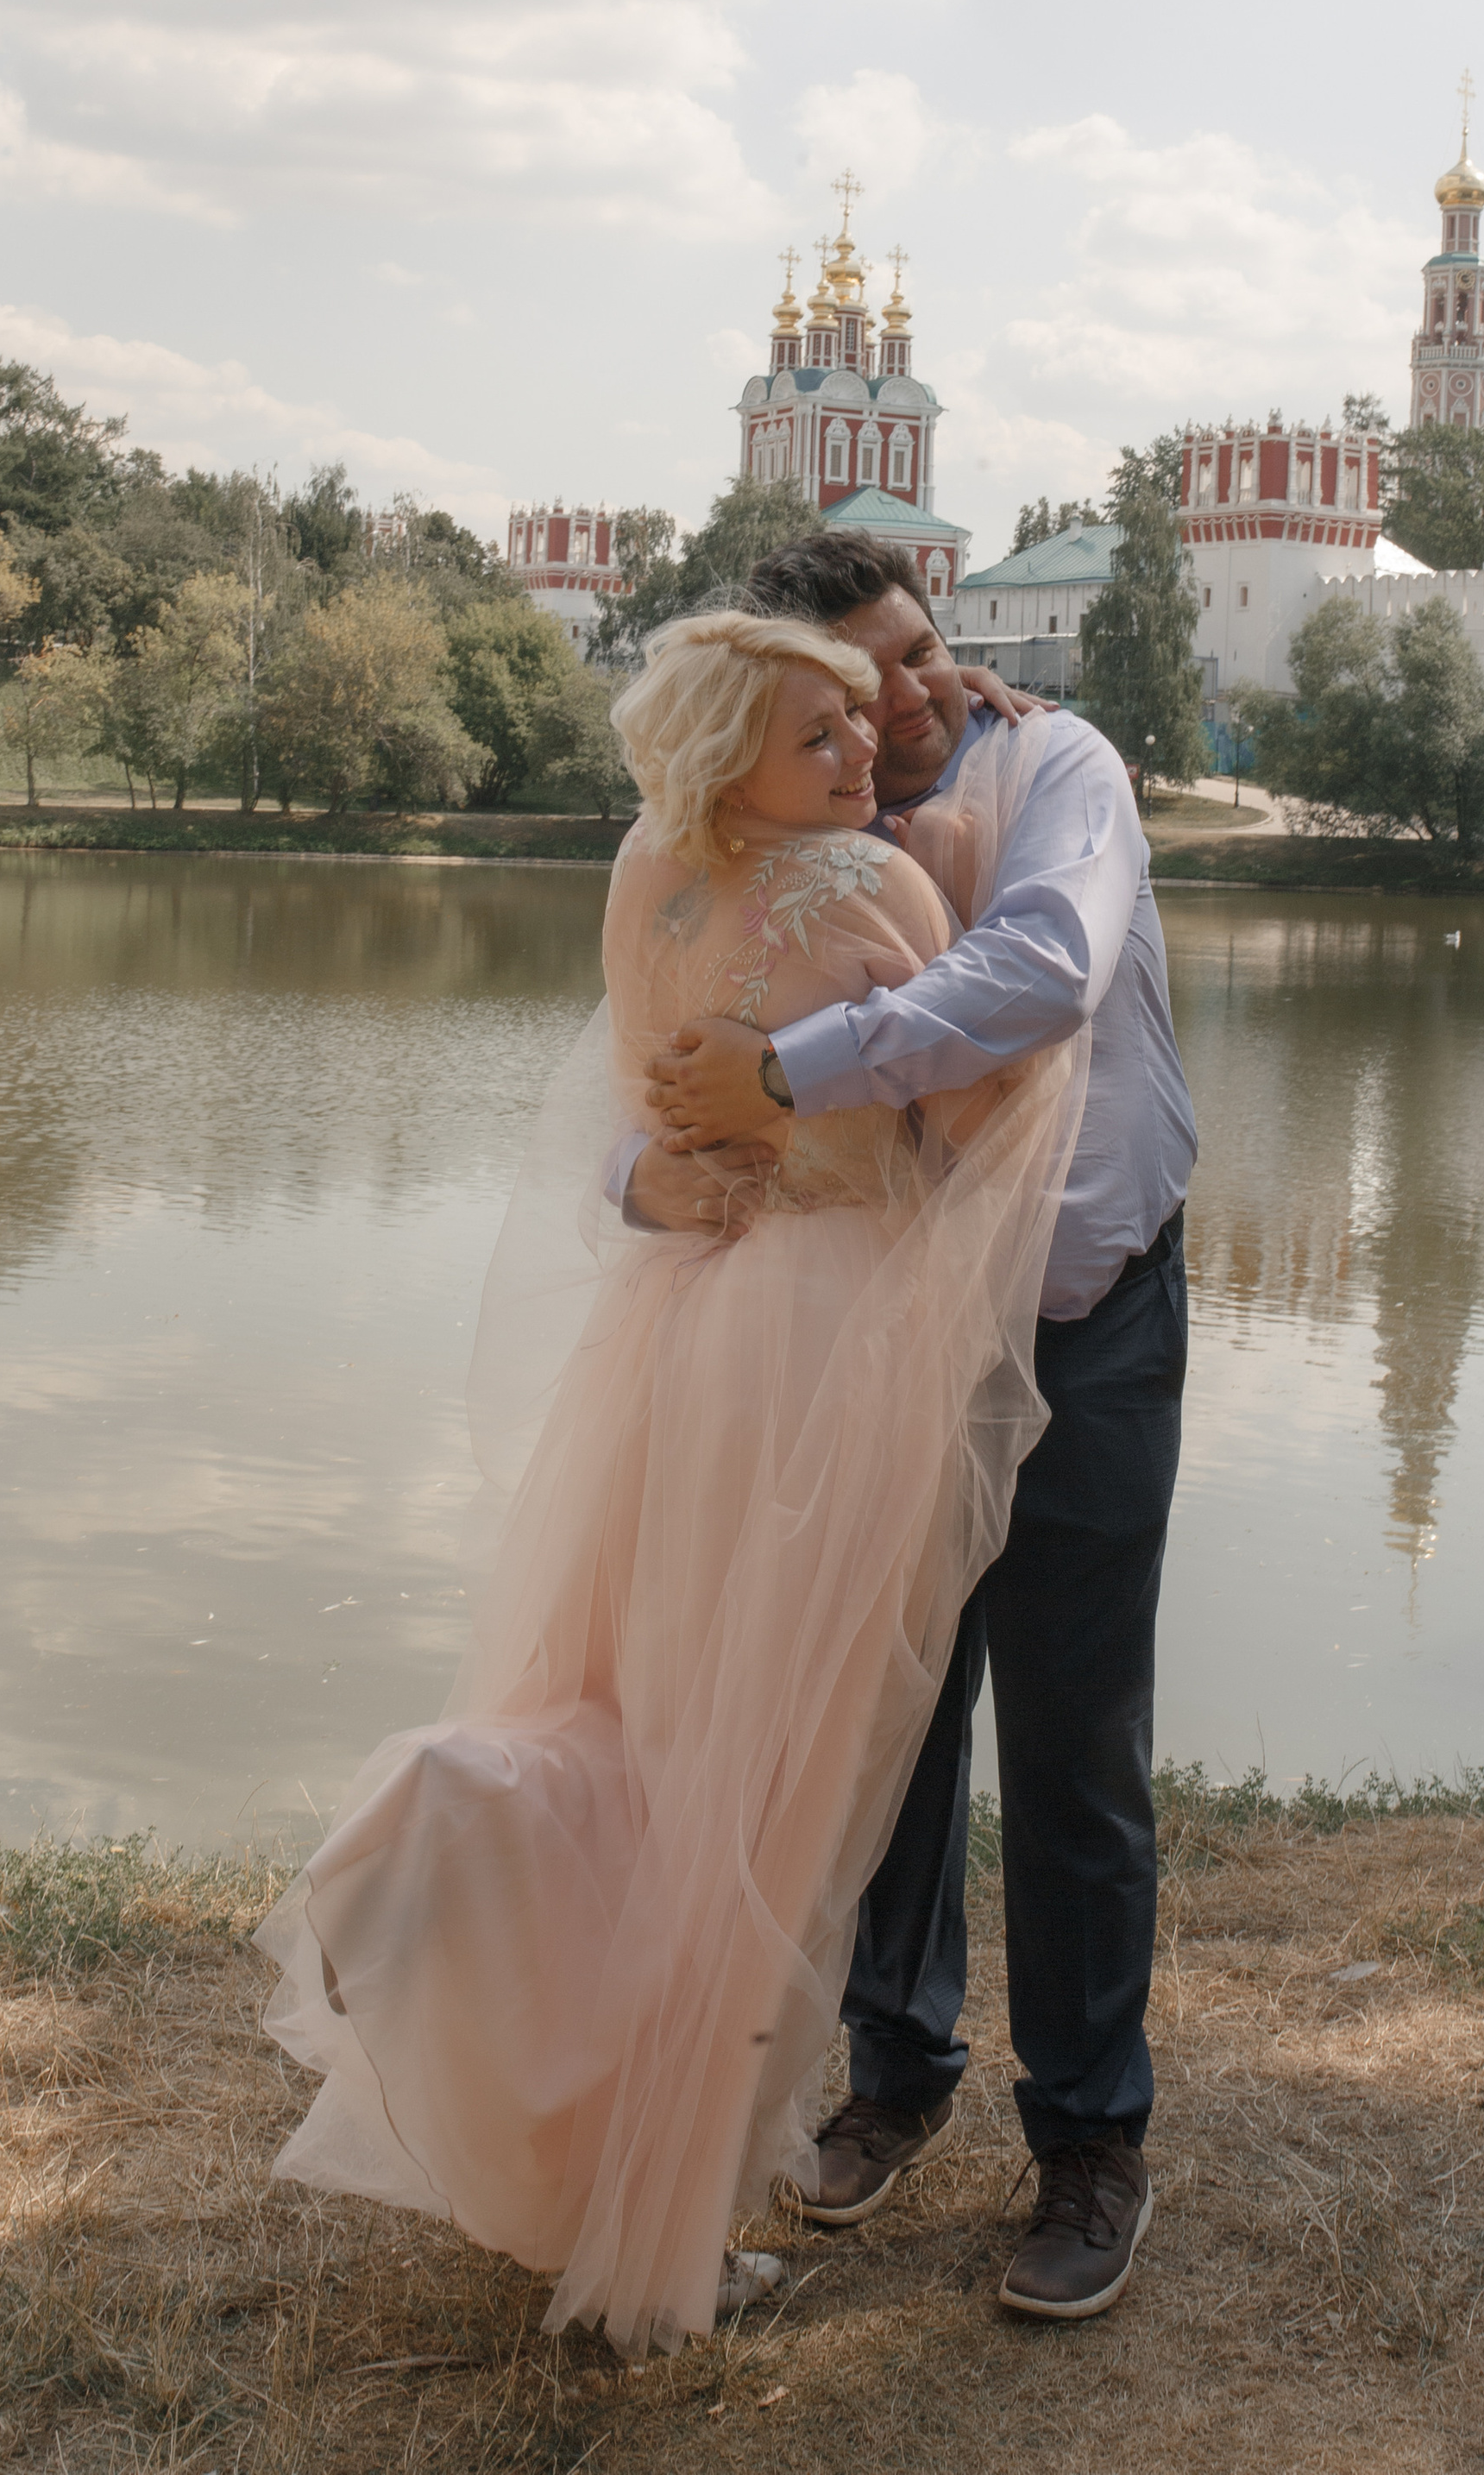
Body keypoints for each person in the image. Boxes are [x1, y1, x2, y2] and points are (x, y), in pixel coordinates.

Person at [257, 609, 1085, 2358]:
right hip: (819, 1354)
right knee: (769, 1793)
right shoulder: (869, 891)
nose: (861, 757)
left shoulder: (649, 877)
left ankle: (465, 1819)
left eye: (861, 726)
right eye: (819, 737)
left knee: (633, 1713)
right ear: (732, 756)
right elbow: (984, 1097)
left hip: (669, 1334)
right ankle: (660, 2222)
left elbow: (628, 1117)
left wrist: (674, 1166)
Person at [638, 532, 1196, 2323]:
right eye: (873, 678)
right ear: (794, 698)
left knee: (1072, 1747)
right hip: (871, 1347)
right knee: (875, 1732)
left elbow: (1043, 969)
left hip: (1076, 1321)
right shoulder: (775, 846)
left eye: (929, 648)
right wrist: (650, 1172)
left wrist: (792, 1070)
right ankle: (891, 2081)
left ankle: (1088, 2146)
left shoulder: (1058, 767)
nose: (926, 691)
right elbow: (661, 1060)